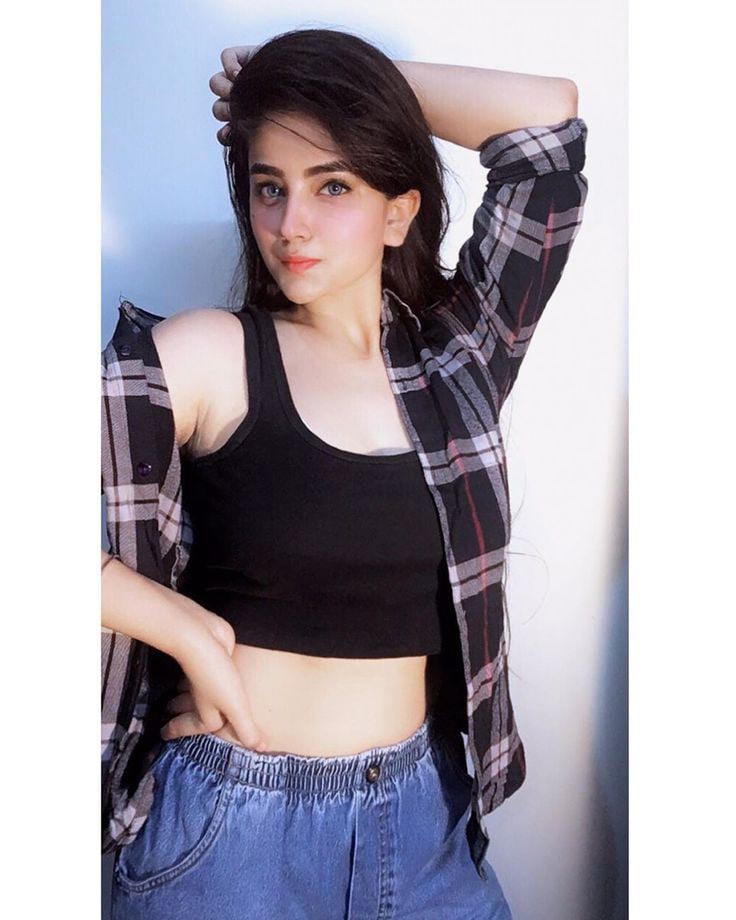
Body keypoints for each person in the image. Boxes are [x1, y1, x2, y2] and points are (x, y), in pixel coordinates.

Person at [101, 27, 588, 919]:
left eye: (333, 185)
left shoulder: (458, 360)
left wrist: (337, 86)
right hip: (229, 836)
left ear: (398, 212)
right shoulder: (211, 355)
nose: (292, 223)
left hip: (425, 822)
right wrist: (183, 630)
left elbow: (546, 128)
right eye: (270, 187)